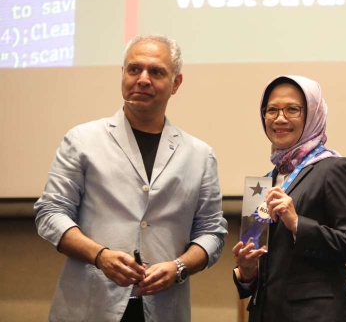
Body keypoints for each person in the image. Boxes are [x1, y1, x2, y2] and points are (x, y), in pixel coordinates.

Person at [34, 34, 228, 322]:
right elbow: (50, 213)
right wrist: (99, 255)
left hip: (164, 309)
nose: (143, 79)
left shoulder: (199, 154)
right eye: (134, 69)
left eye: (156, 72)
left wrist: (179, 267)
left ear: (176, 83)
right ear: (123, 74)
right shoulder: (82, 140)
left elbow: (212, 232)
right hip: (89, 307)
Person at [232, 75, 346, 321]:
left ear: (312, 114)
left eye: (292, 109)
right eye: (271, 110)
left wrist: (297, 223)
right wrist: (246, 272)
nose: (280, 118)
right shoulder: (264, 183)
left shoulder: (334, 169)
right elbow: (267, 273)